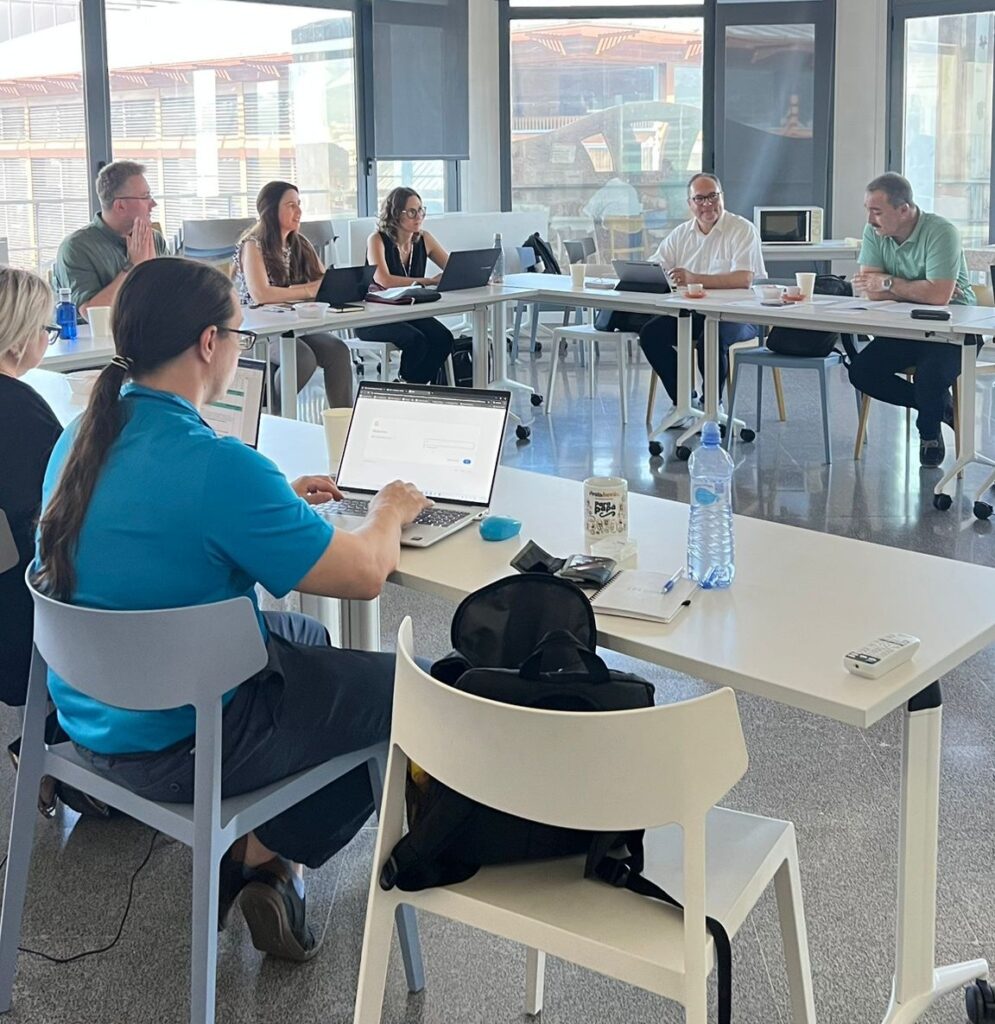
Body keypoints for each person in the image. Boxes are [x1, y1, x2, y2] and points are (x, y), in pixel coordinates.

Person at [34, 257, 431, 960]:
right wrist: (390, 510)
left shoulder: (77, 438)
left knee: (303, 635)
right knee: (410, 692)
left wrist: (274, 499)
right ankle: (259, 853)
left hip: (89, 721)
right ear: (209, 343)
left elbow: (163, 522)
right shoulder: (219, 467)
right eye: (240, 334)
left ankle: (273, 865)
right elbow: (367, 573)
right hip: (186, 743)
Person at [847, 172, 976, 467]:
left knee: (929, 378)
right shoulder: (874, 232)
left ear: (903, 210)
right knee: (861, 372)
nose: (869, 219)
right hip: (905, 327)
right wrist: (921, 288)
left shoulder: (942, 232)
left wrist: (889, 283)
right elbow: (870, 289)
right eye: (868, 210)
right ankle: (941, 408)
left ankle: (929, 432)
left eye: (877, 211)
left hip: (954, 331)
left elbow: (938, 296)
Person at [638, 173, 764, 418]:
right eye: (699, 198)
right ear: (690, 203)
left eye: (712, 196)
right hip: (693, 313)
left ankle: (712, 406)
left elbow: (743, 279)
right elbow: (657, 265)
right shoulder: (681, 234)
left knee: (711, 336)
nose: (707, 204)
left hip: (738, 315)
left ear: (722, 197)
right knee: (651, 334)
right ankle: (684, 401)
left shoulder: (742, 229)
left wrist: (693, 278)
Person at [233, 181, 354, 410]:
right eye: (291, 205)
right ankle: (274, 415)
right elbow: (261, 295)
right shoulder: (253, 245)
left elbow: (324, 283)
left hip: (294, 324)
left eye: (299, 204)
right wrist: (307, 290)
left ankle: (343, 423)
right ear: (271, 210)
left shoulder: (300, 243)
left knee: (338, 351)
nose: (299, 211)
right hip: (261, 330)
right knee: (302, 358)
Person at [0, 267, 62, 708]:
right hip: (23, 616)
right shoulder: (22, 412)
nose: (47, 338)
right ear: (17, 340)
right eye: (46, 329)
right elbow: (68, 501)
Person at [355, 187, 454, 384]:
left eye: (421, 210)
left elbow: (453, 268)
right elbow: (384, 280)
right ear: (395, 214)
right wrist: (429, 281)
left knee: (444, 338)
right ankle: (407, 386)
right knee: (416, 340)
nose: (419, 216)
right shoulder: (377, 239)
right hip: (374, 317)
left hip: (409, 312)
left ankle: (411, 386)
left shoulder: (424, 238)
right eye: (411, 212)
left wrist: (478, 273)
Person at [53, 160, 167, 317]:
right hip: (96, 332)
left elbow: (171, 296)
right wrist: (133, 267)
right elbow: (90, 313)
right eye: (145, 196)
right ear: (120, 206)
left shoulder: (154, 238)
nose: (153, 204)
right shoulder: (76, 247)